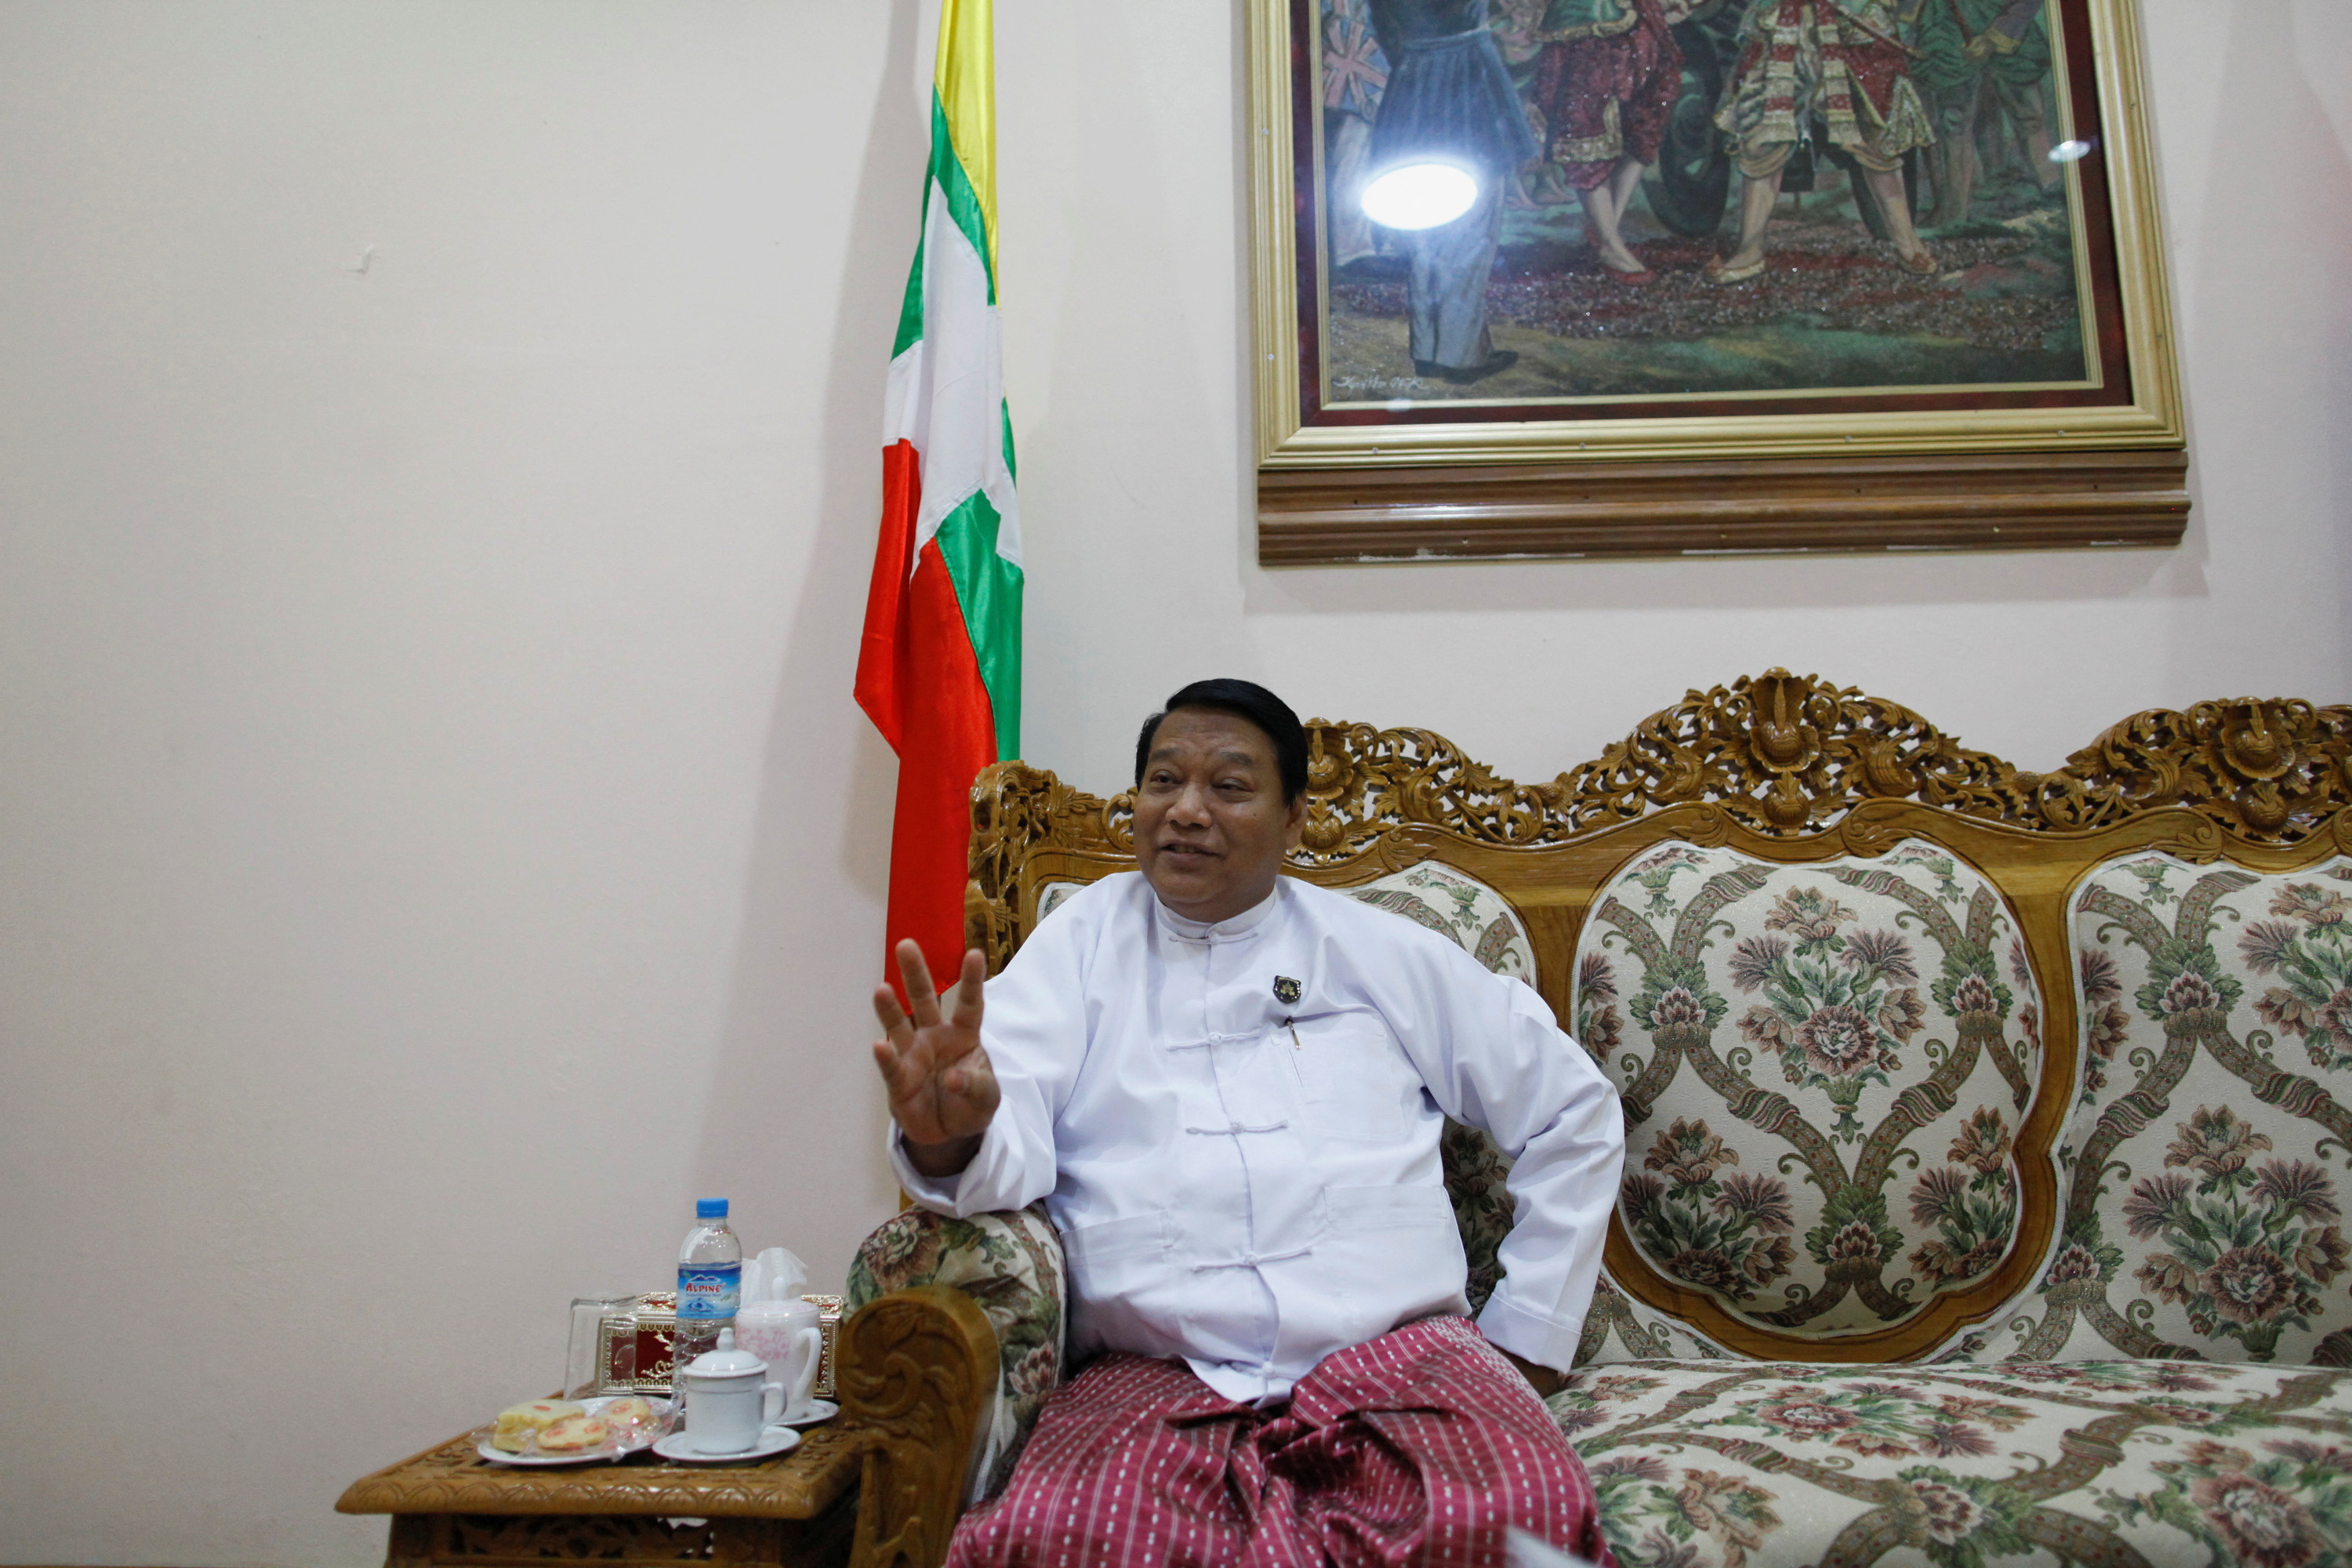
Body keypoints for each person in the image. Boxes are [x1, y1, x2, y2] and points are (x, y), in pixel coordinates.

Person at [870, 678, 1626, 1567]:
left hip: (1398, 1357)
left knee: (1515, 1514)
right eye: (1162, 781)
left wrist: (1527, 1336)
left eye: (1228, 786)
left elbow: (1570, 1106)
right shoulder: (1076, 948)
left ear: (1295, 816)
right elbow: (1006, 1135)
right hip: (1155, 1368)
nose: (1186, 810)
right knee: (1061, 1534)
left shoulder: (1376, 950)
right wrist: (948, 1131)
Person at [1366, 1, 1540, 384]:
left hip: (1414, 83)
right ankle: (1460, 356)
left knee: (1423, 233)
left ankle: (1429, 350)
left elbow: (1383, 23)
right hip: (1467, 81)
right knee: (1471, 235)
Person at [1708, 0, 1938, 281]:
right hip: (1785, 22)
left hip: (1852, 20)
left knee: (1875, 133)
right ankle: (1750, 248)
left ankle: (1907, 242)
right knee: (1763, 137)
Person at [1525, 0, 1691, 281]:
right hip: (1584, 24)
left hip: (1640, 23)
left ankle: (1607, 228)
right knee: (1587, 130)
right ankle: (1611, 244)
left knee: (1643, 126)